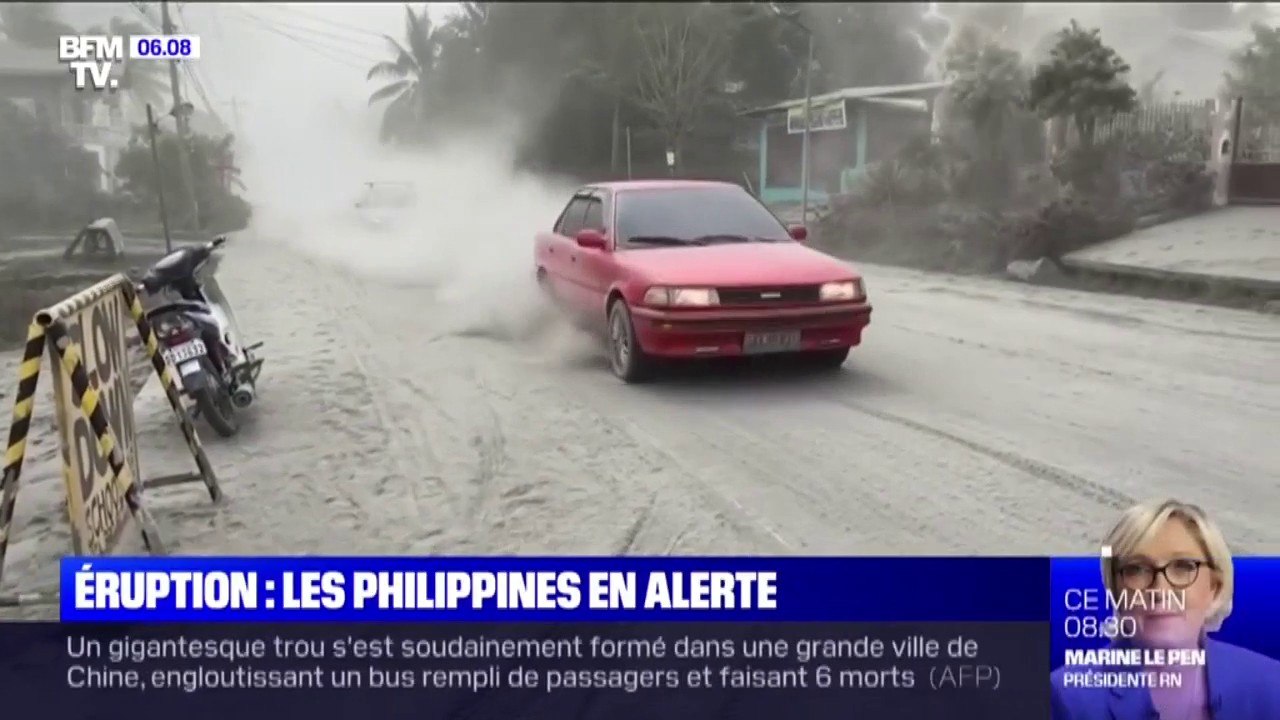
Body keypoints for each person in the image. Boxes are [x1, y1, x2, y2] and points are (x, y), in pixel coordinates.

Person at [1051, 499, 1280, 719]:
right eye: (1137, 569)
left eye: (1183, 566)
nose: (1159, 590)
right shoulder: (1067, 697)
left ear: (1214, 588)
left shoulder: (1271, 687)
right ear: (1116, 591)